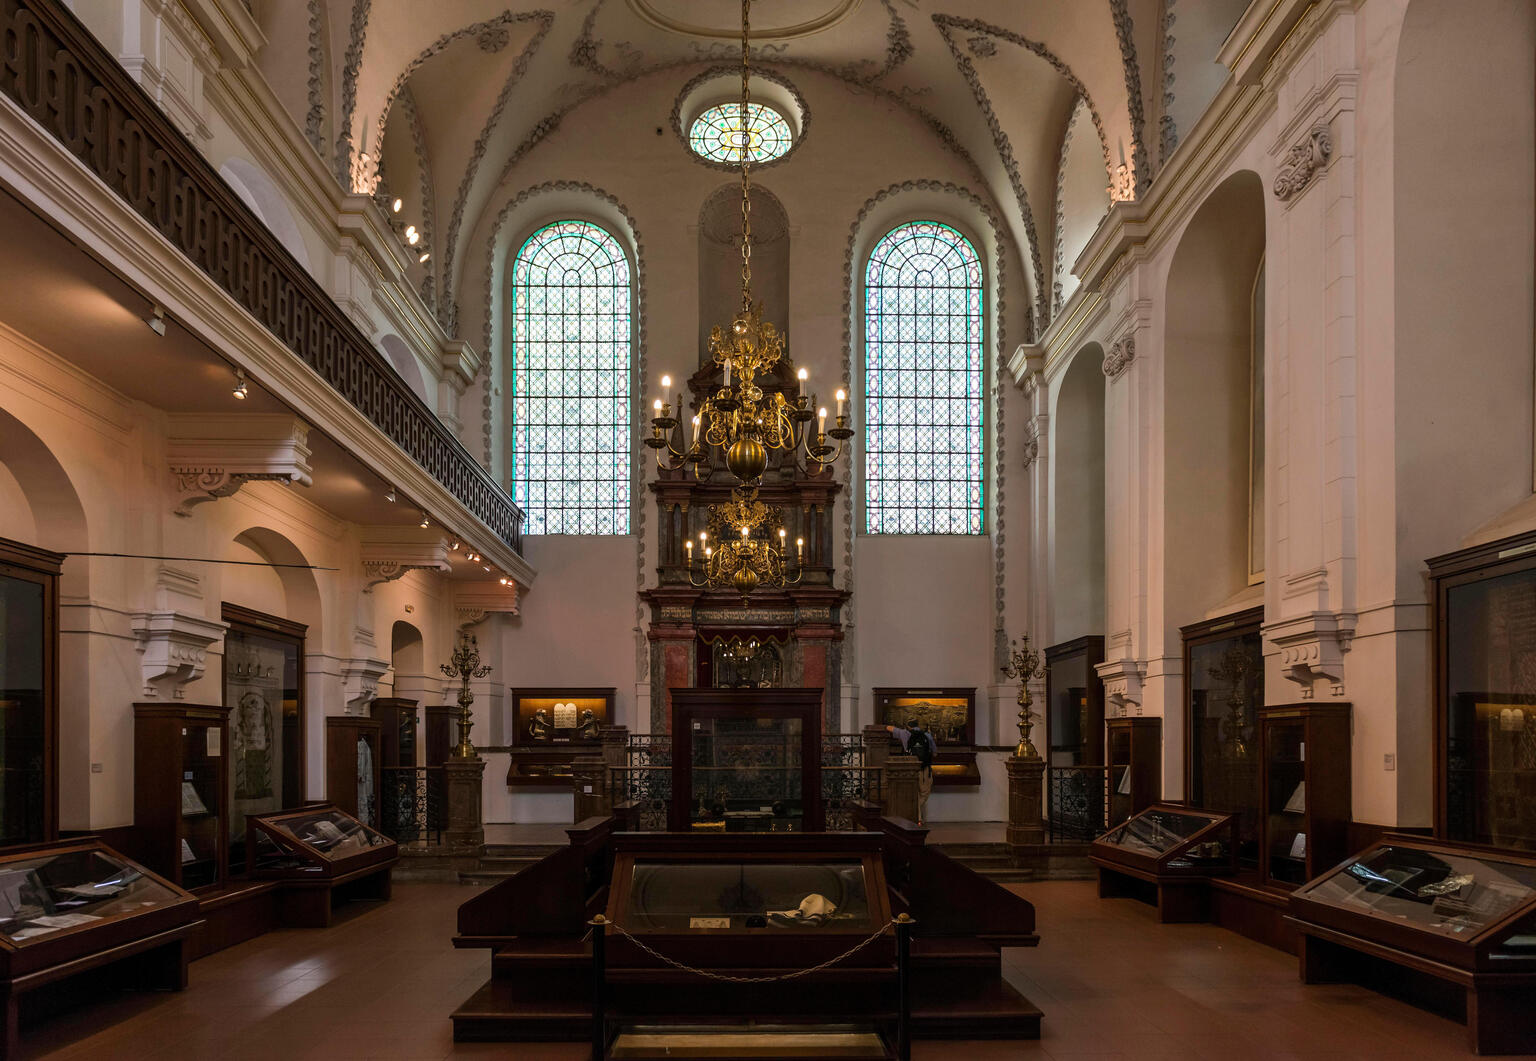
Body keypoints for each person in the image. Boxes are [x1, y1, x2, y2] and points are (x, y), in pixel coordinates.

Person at [885, 721, 935, 825]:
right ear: (918, 726)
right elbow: (934, 752)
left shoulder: (903, 733)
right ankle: (918, 817)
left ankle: (916, 815)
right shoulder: (927, 735)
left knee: (912, 793)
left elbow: (889, 728)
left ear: (908, 726)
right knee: (924, 793)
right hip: (924, 768)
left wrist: (886, 726)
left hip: (909, 769)